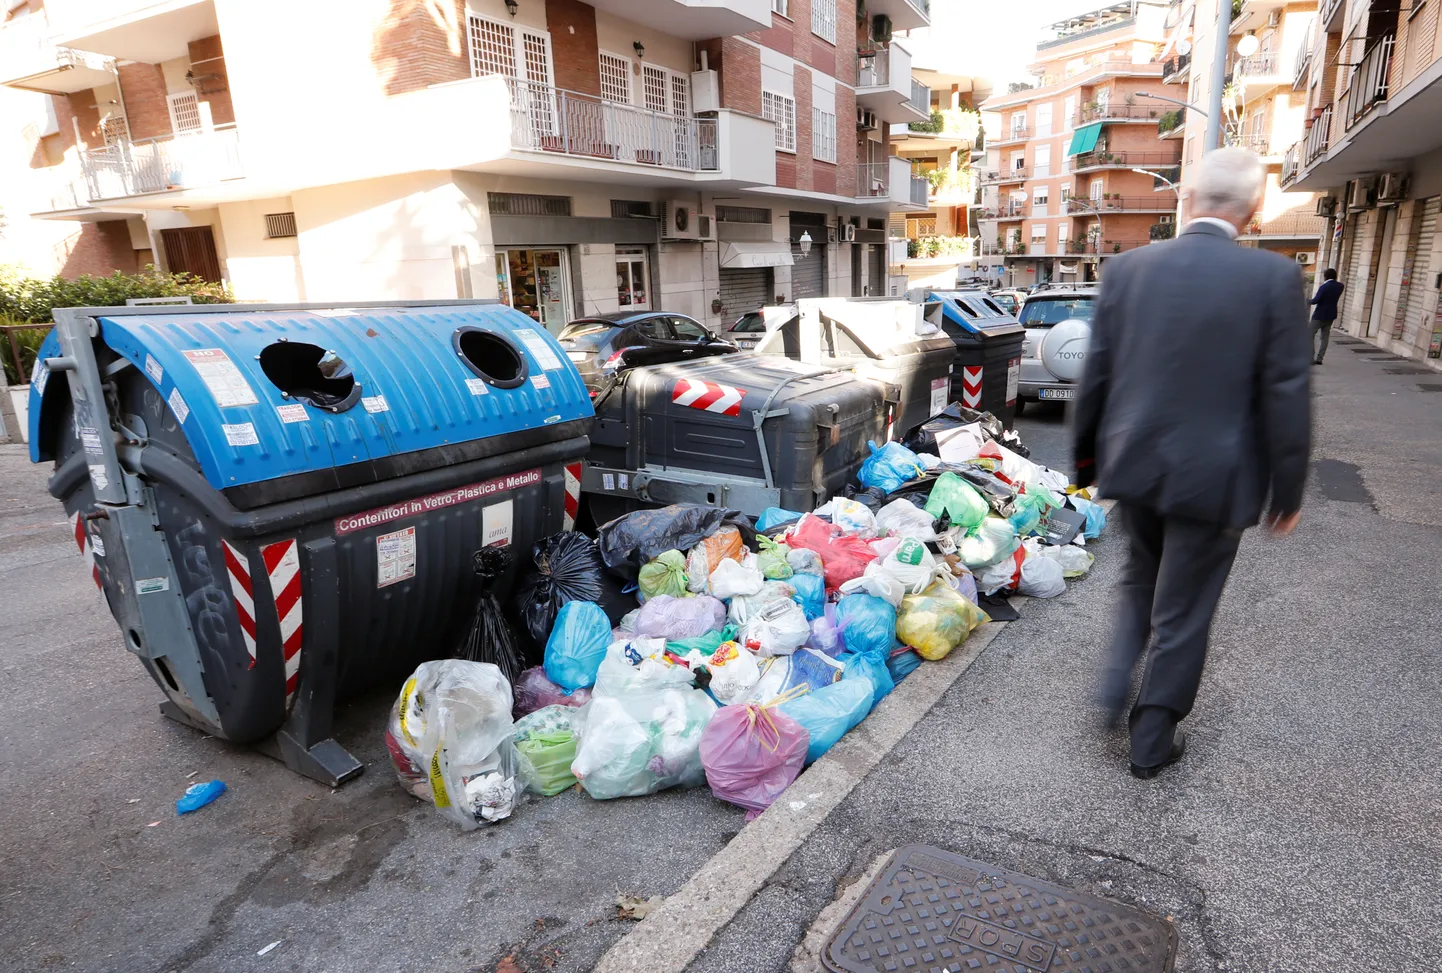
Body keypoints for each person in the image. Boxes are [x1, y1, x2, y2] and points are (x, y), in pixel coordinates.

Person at [1072, 148, 1311, 780]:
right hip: (1218, 478)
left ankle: (1111, 689)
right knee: (1185, 607)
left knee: (1137, 581)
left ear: (1189, 198)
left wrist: (1086, 461)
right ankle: (1151, 741)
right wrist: (1288, 490)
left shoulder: (1128, 269)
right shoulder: (1273, 280)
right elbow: (1285, 392)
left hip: (1137, 464)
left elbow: (1097, 374)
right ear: (1253, 210)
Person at [1308, 268, 1344, 364]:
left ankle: (1311, 357)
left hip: (1319, 315)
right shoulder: (1340, 286)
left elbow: (1315, 300)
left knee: (1310, 334)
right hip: (1331, 314)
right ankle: (1320, 358)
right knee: (1325, 336)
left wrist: (1307, 300)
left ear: (1325, 276)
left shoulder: (1324, 287)